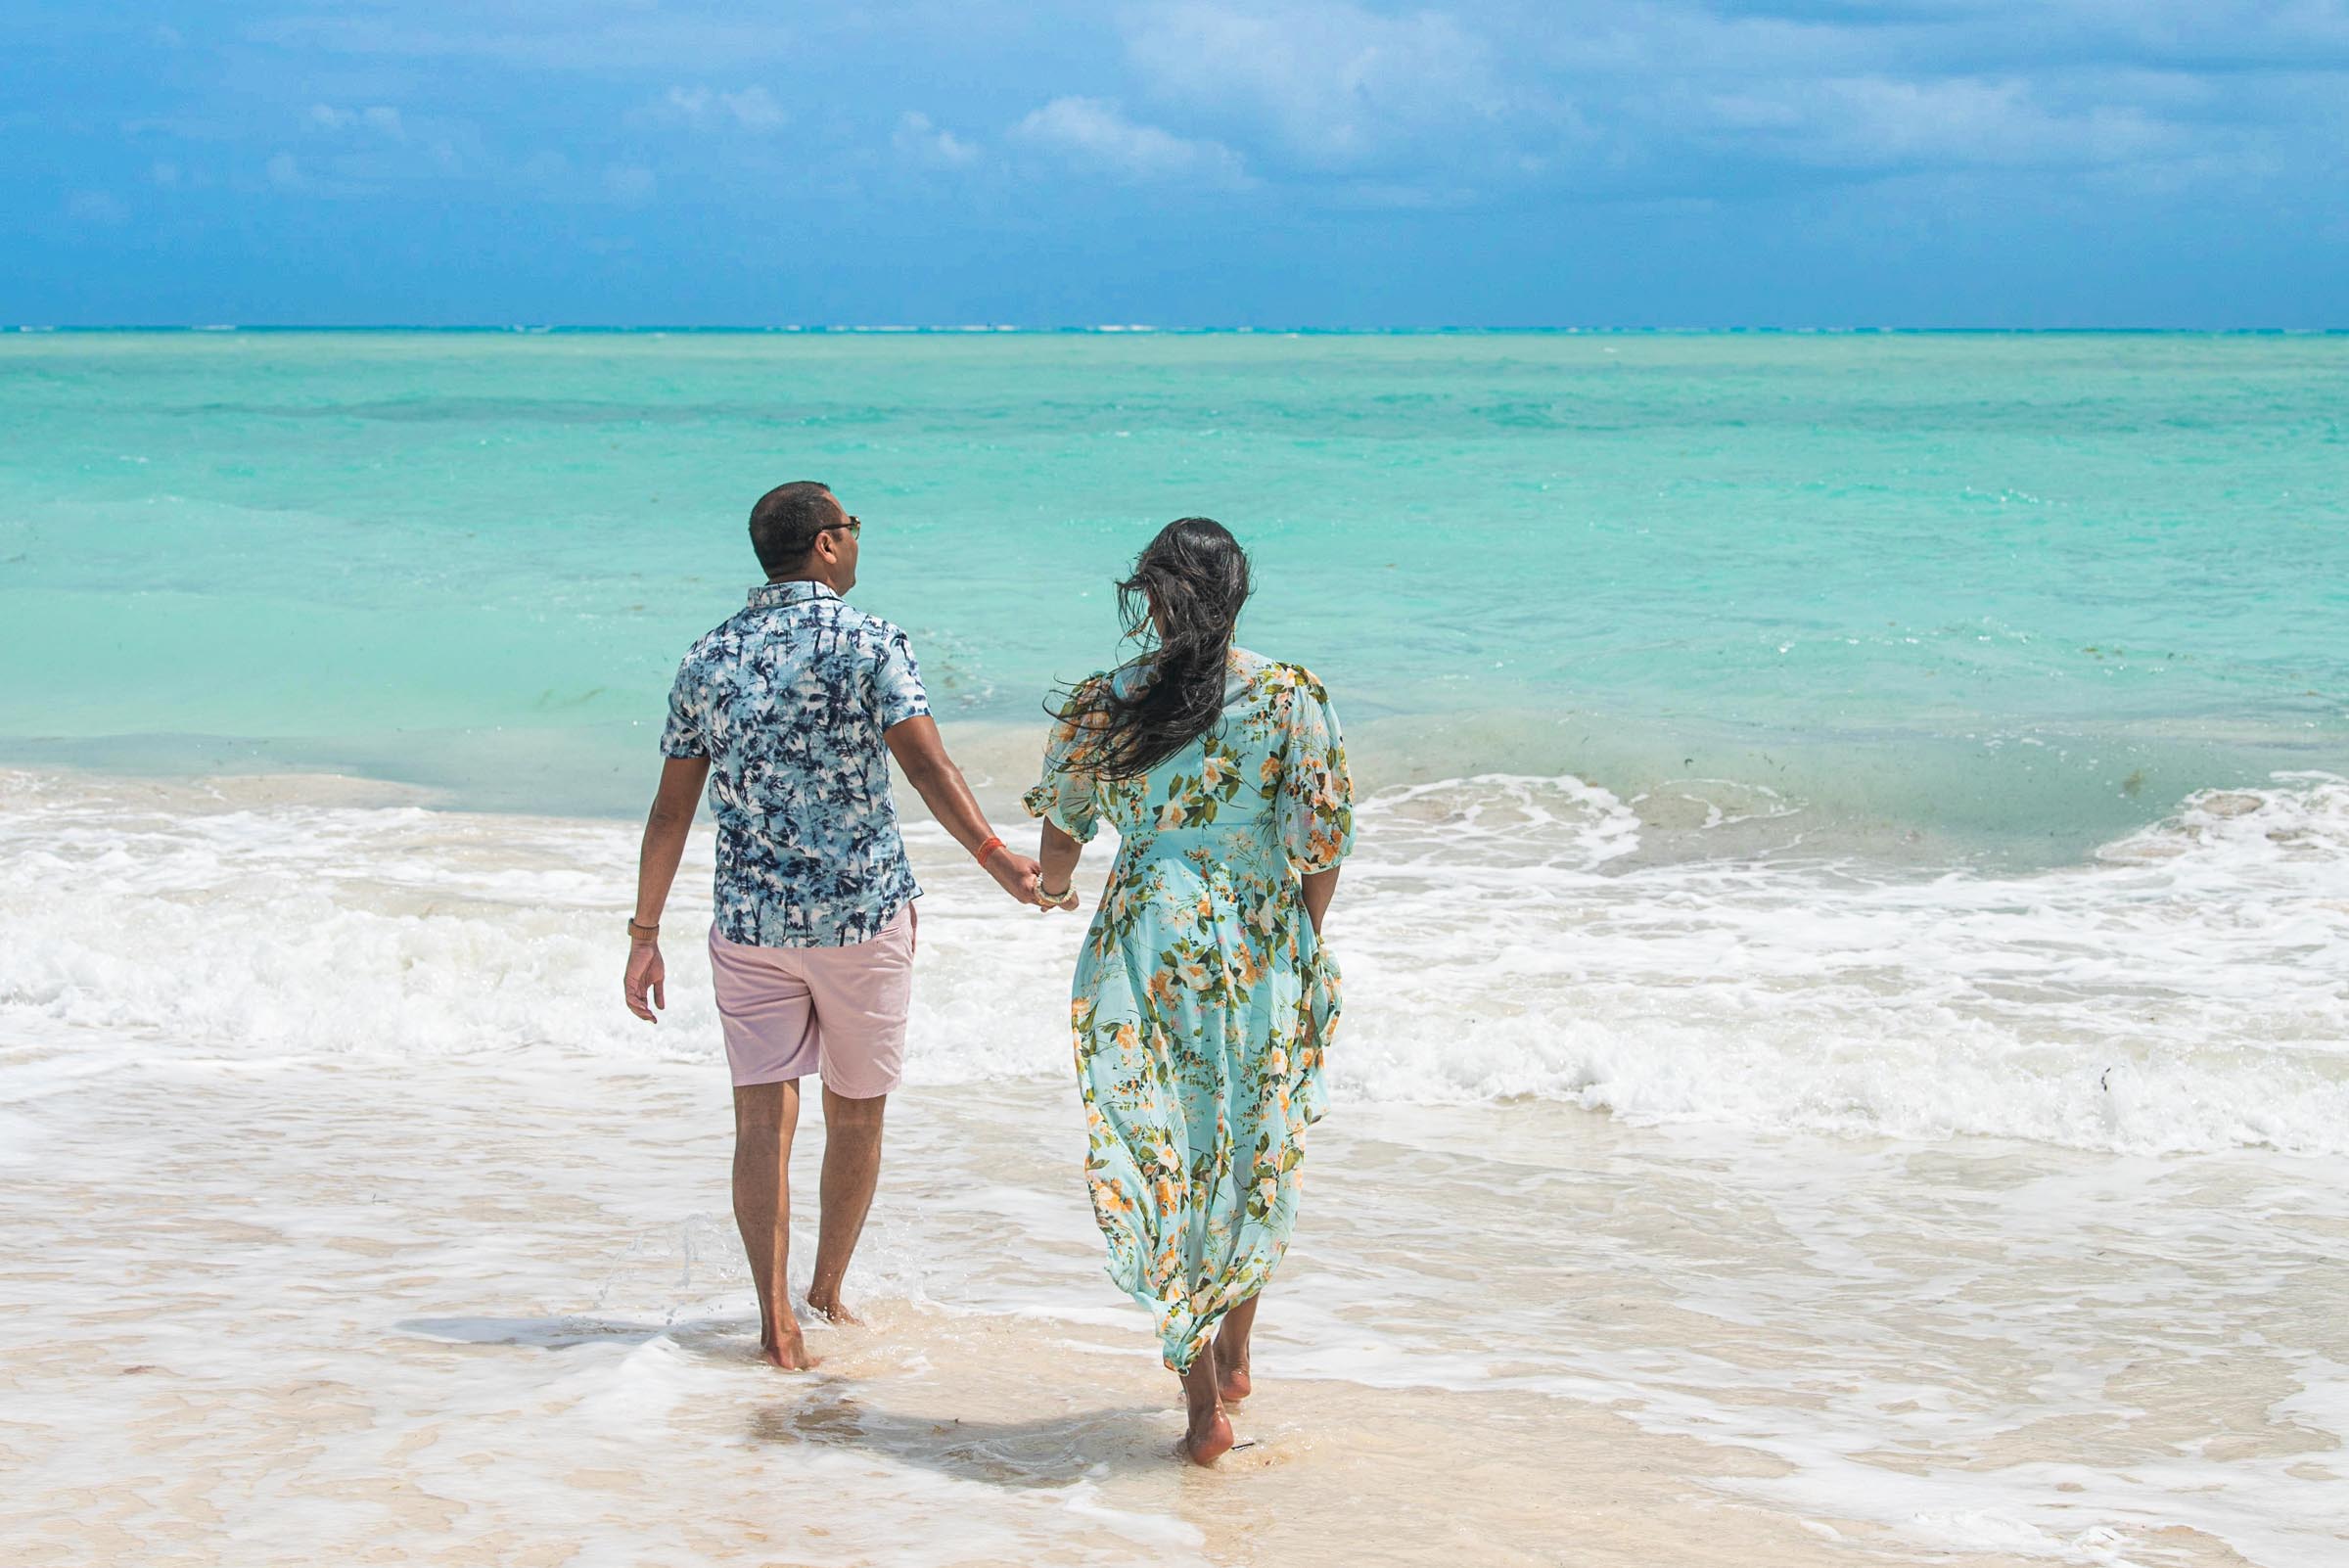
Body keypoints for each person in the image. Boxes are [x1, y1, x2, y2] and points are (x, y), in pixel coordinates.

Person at [624, 481, 1041, 1371]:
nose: (857, 540)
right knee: (855, 1114)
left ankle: (775, 1321)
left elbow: (670, 812)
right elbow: (928, 765)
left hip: (749, 923)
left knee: (761, 1123)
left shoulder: (708, 657)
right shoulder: (870, 640)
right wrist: (998, 857)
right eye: (851, 527)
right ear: (823, 545)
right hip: (861, 917)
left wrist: (644, 934)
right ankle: (825, 1292)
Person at [1025, 516, 1354, 1464]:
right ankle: (1238, 1347)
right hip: (1258, 941)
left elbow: (1063, 837)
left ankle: (1205, 1405)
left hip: (1144, 940)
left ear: (1152, 596)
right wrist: (1298, 944)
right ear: (1238, 592)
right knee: (1252, 1142)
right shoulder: (1292, 695)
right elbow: (1323, 845)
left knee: (1167, 1157)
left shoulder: (1103, 701)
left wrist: (1051, 891)